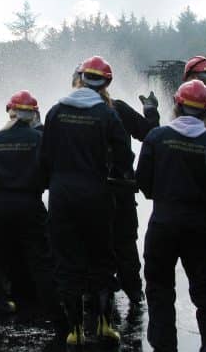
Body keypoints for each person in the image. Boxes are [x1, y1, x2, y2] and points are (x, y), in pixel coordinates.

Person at [41, 56, 132, 346]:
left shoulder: (56, 111)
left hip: (62, 195)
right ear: (105, 83)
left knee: (67, 260)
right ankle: (105, 325)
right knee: (101, 260)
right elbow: (123, 154)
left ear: (79, 78)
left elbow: (45, 155)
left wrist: (52, 183)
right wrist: (120, 176)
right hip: (96, 193)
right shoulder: (107, 114)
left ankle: (74, 330)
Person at [136, 80, 206, 352]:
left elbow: (143, 182)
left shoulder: (157, 137)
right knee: (205, 292)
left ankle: (164, 346)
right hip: (200, 227)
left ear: (177, 106)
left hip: (164, 224)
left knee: (159, 289)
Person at [0, 90, 63, 333]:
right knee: (42, 265)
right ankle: (58, 321)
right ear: (34, 114)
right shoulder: (40, 140)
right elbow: (49, 173)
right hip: (28, 205)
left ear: (10, 112)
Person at [109, 88, 160, 306]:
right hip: (121, 188)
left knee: (90, 242)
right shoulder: (117, 108)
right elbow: (150, 133)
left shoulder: (68, 112)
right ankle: (134, 293)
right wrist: (151, 110)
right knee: (125, 242)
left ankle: (95, 296)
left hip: (88, 192)